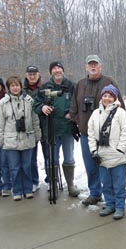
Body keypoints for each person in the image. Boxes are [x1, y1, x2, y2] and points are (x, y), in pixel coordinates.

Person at [70, 54, 125, 206]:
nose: (93, 67)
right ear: (86, 67)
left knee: (107, 164)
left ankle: (111, 196)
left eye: (96, 64)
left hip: (107, 135)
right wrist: (75, 122)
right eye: (90, 64)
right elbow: (73, 107)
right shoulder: (80, 84)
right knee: (90, 165)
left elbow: (120, 106)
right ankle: (95, 193)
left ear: (100, 66)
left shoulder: (109, 82)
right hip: (86, 134)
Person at [33, 61, 80, 198]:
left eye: (59, 68)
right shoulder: (44, 88)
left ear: (63, 71)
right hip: (51, 128)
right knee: (52, 158)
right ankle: (53, 184)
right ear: (50, 72)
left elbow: (78, 102)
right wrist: (42, 108)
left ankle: (70, 184)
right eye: (54, 69)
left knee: (69, 157)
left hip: (67, 128)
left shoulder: (72, 86)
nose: (57, 70)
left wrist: (72, 113)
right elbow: (36, 104)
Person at [88, 85, 126, 220]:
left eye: (110, 96)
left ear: (115, 98)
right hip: (102, 156)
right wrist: (94, 151)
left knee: (119, 184)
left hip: (118, 155)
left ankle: (119, 207)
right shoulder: (95, 113)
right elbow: (91, 134)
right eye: (105, 95)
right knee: (106, 183)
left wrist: (120, 149)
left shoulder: (121, 113)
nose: (107, 98)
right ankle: (110, 204)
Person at [0, 76, 42, 201]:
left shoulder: (29, 101)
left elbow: (35, 119)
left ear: (21, 86)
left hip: (27, 138)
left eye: (17, 85)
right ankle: (17, 191)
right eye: (12, 86)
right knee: (14, 168)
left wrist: (37, 134)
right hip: (11, 140)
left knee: (27, 166)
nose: (15, 88)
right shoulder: (2, 104)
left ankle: (28, 189)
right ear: (8, 88)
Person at [23, 65, 46, 193]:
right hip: (29, 128)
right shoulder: (21, 89)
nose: (32, 76)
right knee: (31, 157)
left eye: (34, 74)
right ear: (26, 75)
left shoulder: (44, 87)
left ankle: (50, 180)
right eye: (30, 74)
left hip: (45, 125)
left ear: (38, 74)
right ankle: (34, 181)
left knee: (49, 156)